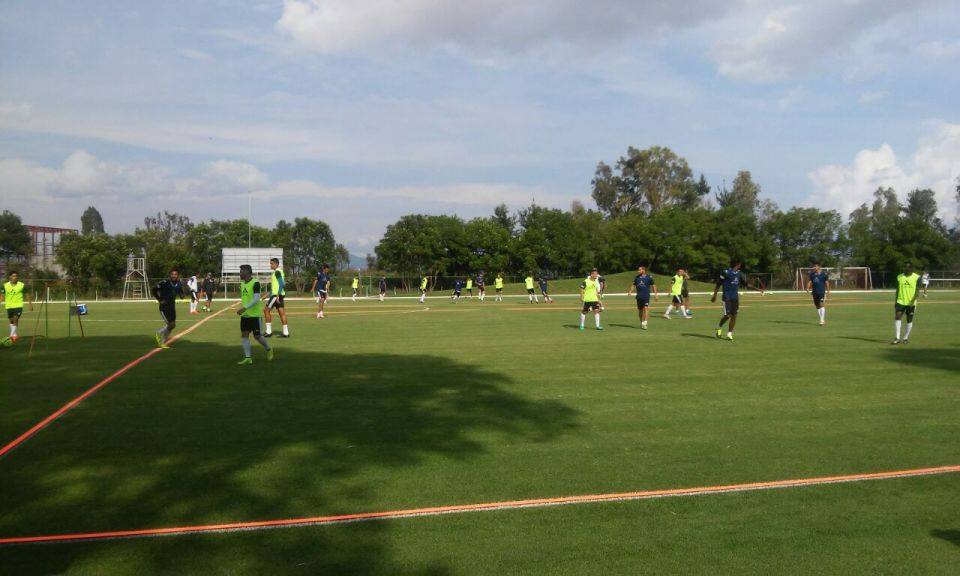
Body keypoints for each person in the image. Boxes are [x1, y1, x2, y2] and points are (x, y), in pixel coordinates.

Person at [710, 261, 764, 341]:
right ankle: (718, 328)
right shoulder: (725, 272)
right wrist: (714, 295)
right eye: (739, 265)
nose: (740, 266)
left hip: (735, 298)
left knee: (734, 316)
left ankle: (729, 334)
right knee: (727, 315)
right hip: (726, 297)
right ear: (737, 265)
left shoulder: (739, 274)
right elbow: (718, 284)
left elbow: (746, 284)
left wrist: (757, 289)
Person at [236, 264, 273, 365]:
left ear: (246, 272)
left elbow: (256, 299)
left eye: (241, 271)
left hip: (255, 315)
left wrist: (244, 308)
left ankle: (268, 349)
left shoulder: (255, 283)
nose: (239, 273)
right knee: (244, 335)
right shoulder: (243, 283)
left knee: (257, 336)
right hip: (245, 316)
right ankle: (248, 358)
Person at [152, 268, 184, 349]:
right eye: (172, 274)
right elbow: (154, 290)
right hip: (164, 307)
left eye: (175, 274)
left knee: (172, 326)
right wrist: (159, 300)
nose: (174, 276)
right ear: (170, 275)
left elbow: (181, 293)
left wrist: (182, 295)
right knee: (170, 324)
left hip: (172, 307)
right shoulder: (164, 282)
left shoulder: (179, 284)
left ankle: (162, 342)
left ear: (177, 275)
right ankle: (159, 333)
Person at [892, 262, 920, 345]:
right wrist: (896, 301)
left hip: (911, 303)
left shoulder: (917, 277)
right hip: (900, 301)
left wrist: (912, 301)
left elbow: (917, 291)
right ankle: (897, 338)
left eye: (907, 268)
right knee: (897, 317)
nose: (905, 269)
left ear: (911, 268)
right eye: (904, 267)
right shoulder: (899, 277)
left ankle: (905, 338)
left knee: (909, 320)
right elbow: (897, 290)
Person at [1, 271, 32, 342]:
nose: (15, 277)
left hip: (18, 305)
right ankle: (14, 335)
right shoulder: (5, 285)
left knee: (15, 318)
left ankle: (10, 336)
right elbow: (2, 296)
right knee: (11, 321)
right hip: (9, 306)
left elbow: (27, 294)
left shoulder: (21, 285)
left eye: (16, 276)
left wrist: (30, 304)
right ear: (10, 277)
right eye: (13, 276)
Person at [262, 257, 289, 338]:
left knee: (266, 310)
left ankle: (268, 332)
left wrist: (277, 295)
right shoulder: (278, 272)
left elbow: (282, 284)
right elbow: (276, 286)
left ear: (276, 264)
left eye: (272, 263)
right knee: (281, 313)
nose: (270, 265)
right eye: (270, 263)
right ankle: (286, 333)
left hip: (276, 295)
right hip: (279, 295)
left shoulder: (277, 272)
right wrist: (267, 294)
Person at [626, 265, 657, 330]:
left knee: (646, 308)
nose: (638, 271)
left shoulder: (649, 277)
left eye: (639, 270)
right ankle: (642, 323)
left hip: (646, 296)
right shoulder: (637, 278)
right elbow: (633, 285)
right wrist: (630, 291)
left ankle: (645, 322)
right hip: (639, 297)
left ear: (643, 270)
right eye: (638, 270)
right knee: (640, 311)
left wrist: (655, 294)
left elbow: (653, 286)